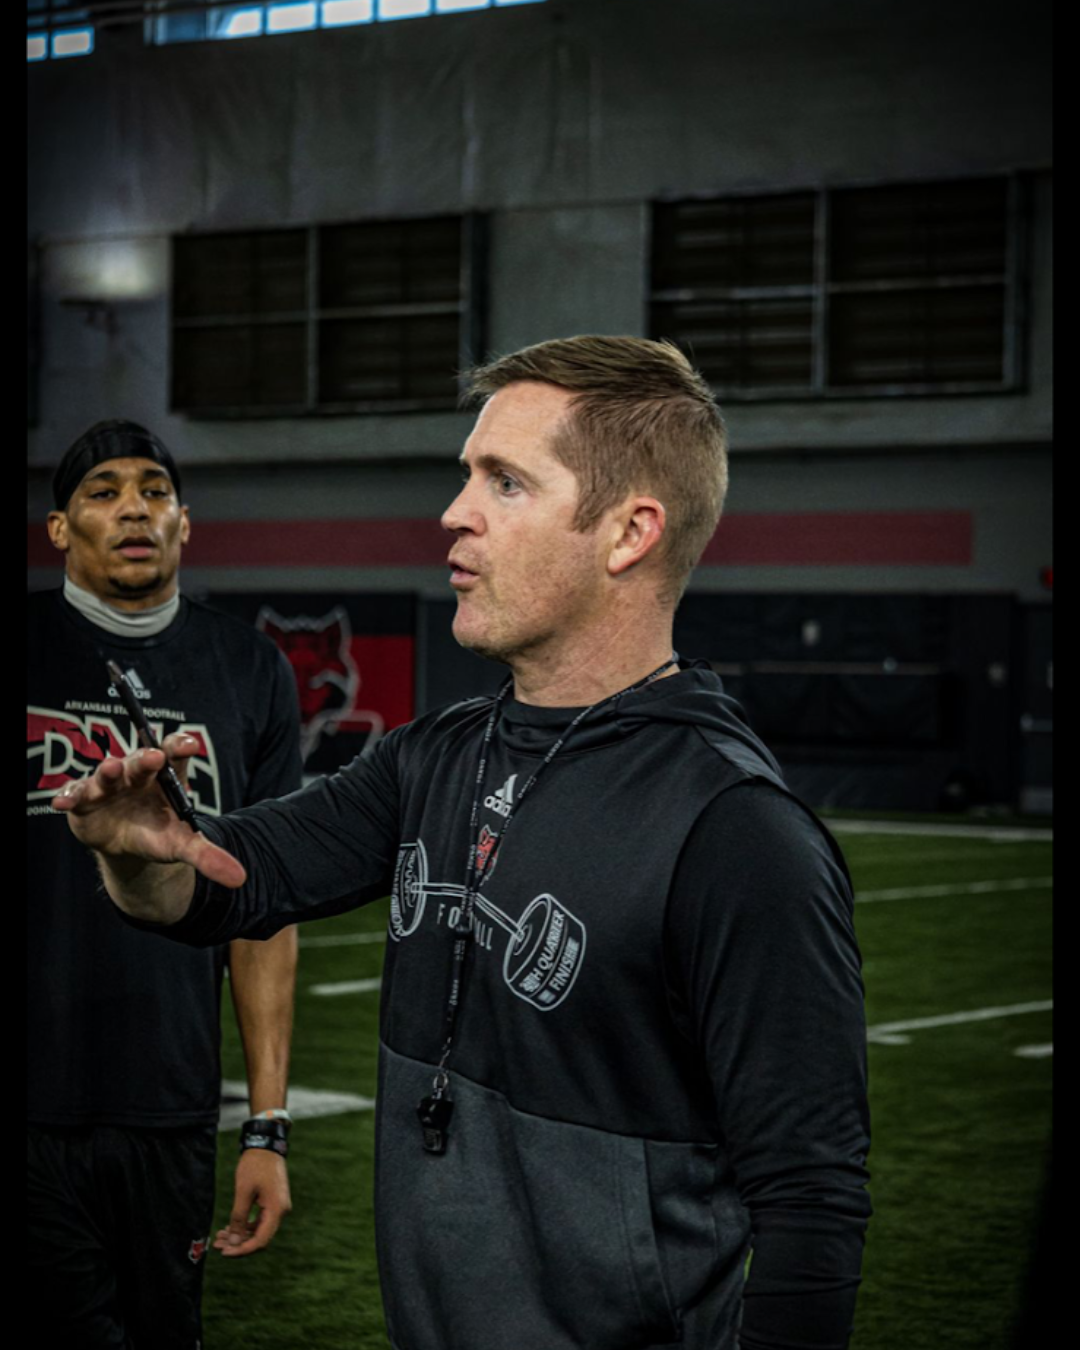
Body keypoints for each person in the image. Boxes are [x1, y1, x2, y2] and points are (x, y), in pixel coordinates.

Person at [55, 342, 872, 1350]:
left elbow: (812, 1202)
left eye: (506, 481)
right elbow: (229, 883)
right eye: (466, 475)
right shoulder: (433, 759)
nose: (455, 512)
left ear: (630, 532)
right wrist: (140, 852)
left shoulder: (739, 834)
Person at [29, 419, 303, 1348]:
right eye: (102, 491)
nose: (133, 507)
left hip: (170, 1104)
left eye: (153, 489)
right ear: (60, 529)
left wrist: (266, 1125)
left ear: (184, 522)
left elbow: (264, 910)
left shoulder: (250, 670)